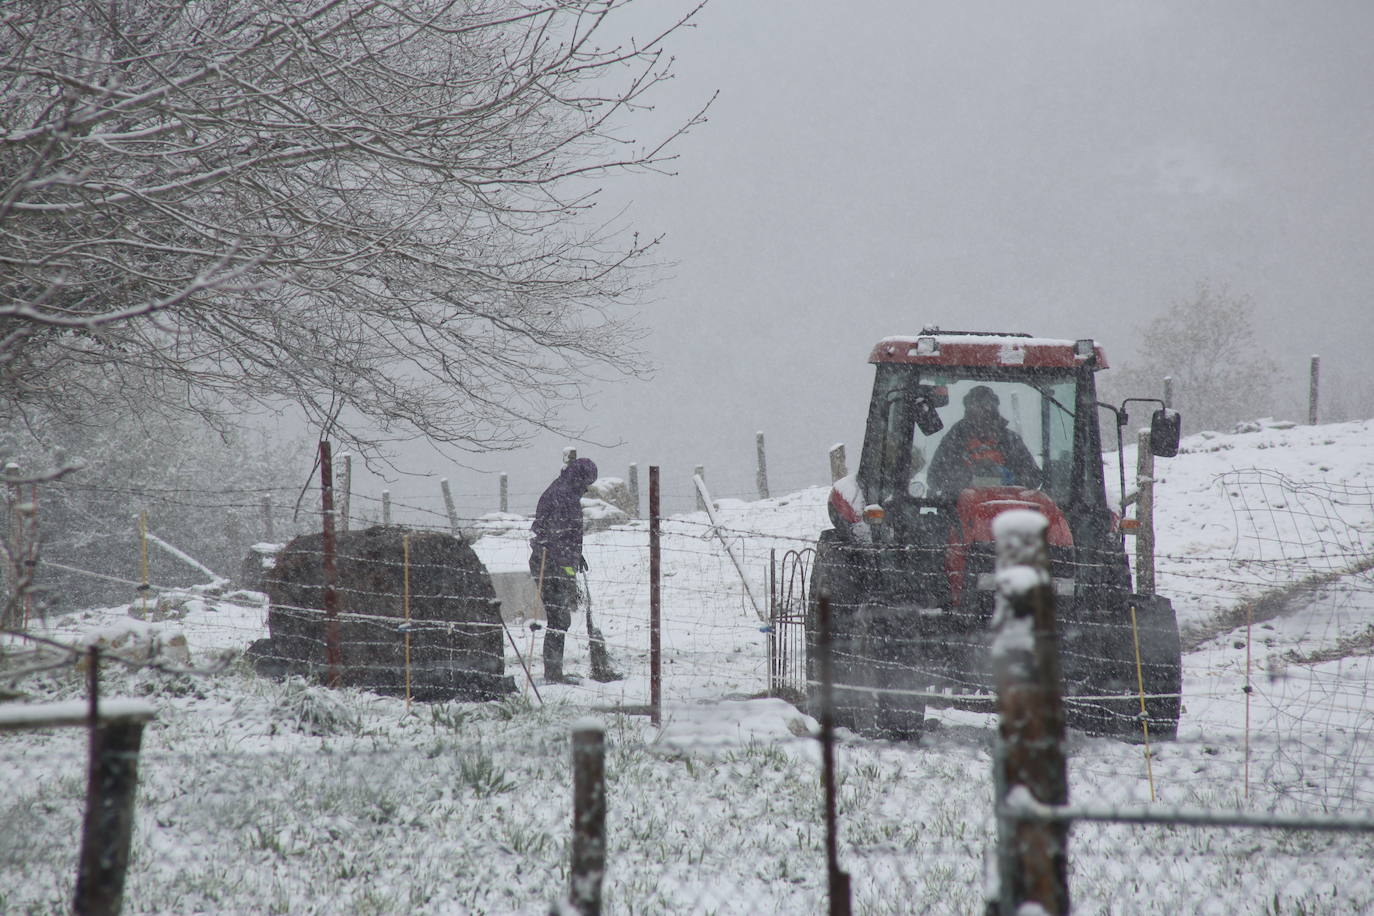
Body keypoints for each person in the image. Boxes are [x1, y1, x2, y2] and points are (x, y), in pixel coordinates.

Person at [529, 457, 598, 682]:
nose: (586, 488)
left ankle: (554, 671)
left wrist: (576, 556)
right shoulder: (562, 496)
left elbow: (566, 534)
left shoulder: (565, 492)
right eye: (586, 482)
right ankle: (553, 673)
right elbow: (554, 535)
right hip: (548, 564)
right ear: (578, 478)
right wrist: (565, 562)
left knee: (560, 619)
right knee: (559, 619)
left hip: (557, 562)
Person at [927, 385, 1041, 495]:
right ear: (968, 409)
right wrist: (965, 478)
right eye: (976, 406)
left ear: (995, 408)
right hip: (956, 508)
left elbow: (1034, 478)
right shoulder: (954, 439)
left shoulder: (1011, 440)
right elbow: (934, 478)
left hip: (1007, 508)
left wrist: (1006, 479)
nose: (982, 411)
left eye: (986, 406)